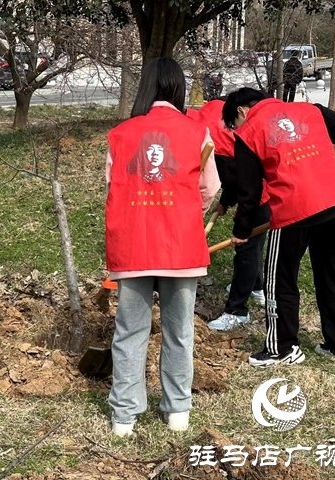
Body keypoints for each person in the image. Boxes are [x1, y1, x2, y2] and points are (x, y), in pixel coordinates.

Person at [105, 57, 220, 436]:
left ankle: (124, 415)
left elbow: (111, 188)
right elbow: (210, 189)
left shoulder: (120, 135)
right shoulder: (197, 133)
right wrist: (186, 210)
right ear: (177, 88)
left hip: (133, 245)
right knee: (179, 330)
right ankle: (177, 412)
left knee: (130, 331)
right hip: (180, 246)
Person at [222, 87, 335, 367]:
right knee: (332, 274)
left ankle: (282, 348)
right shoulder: (310, 110)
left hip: (293, 210)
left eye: (234, 123)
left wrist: (241, 232)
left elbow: (249, 194)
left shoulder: (249, 132)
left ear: (241, 111)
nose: (237, 128)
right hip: (334, 202)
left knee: (280, 280)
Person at [196, 99, 271, 331]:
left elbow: (238, 177)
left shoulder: (216, 142)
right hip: (256, 187)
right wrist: (226, 202)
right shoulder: (215, 128)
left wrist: (241, 228)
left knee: (245, 249)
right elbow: (235, 175)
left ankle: (237, 311)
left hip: (260, 194)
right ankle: (257, 288)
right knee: (252, 245)